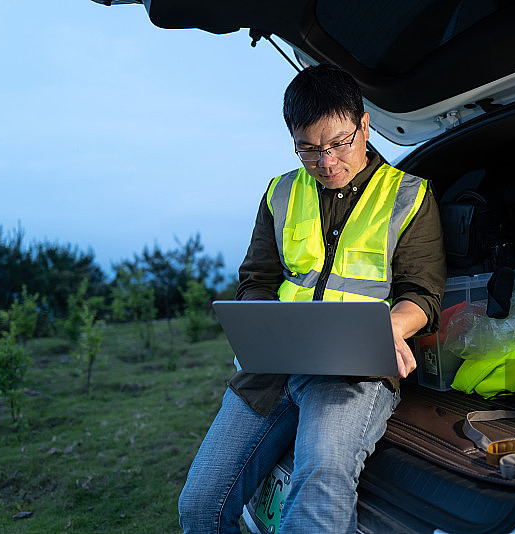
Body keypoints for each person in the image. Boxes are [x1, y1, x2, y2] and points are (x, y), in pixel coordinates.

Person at [178, 64, 446, 533]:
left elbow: (421, 294)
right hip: (272, 369)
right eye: (309, 149)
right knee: (199, 506)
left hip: (352, 372)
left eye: (339, 143)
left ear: (364, 126)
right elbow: (256, 281)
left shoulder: (409, 197)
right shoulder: (280, 192)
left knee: (321, 482)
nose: (326, 162)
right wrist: (263, 329)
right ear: (293, 140)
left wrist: (392, 330)